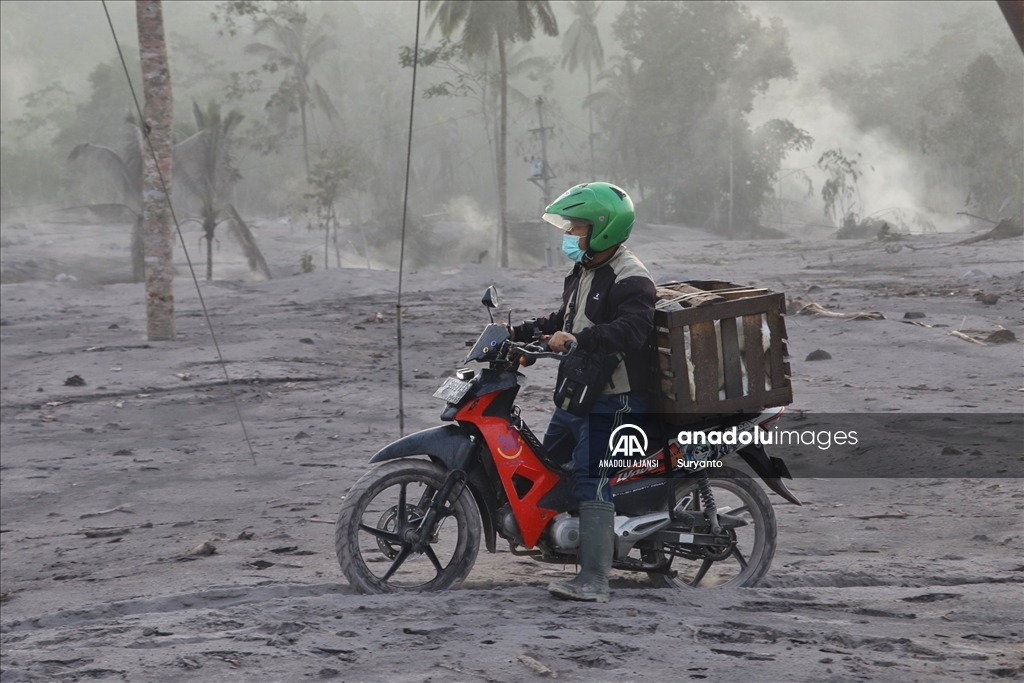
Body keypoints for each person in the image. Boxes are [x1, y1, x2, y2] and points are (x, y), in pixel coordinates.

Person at [508, 182, 656, 602]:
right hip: (581, 391)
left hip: (617, 397)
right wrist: (520, 332)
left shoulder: (631, 278)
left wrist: (578, 340)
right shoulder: (585, 270)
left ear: (604, 229)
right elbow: (565, 318)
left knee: (591, 477)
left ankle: (594, 579)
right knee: (549, 464)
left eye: (578, 228)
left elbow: (632, 330)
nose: (570, 235)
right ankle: (559, 539)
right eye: (570, 227)